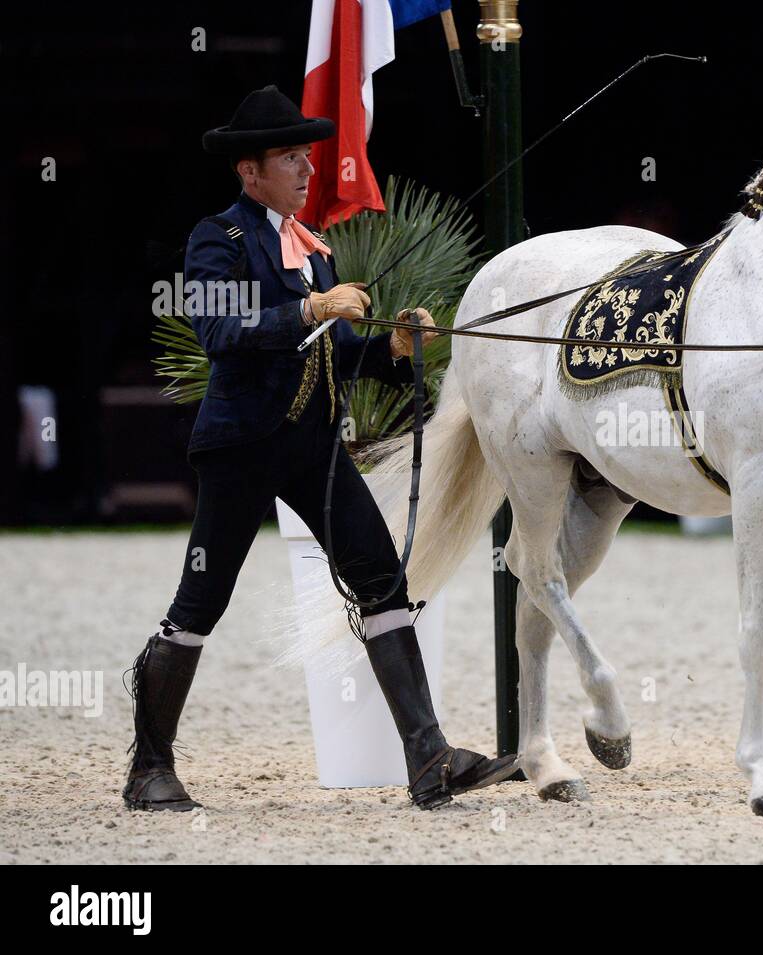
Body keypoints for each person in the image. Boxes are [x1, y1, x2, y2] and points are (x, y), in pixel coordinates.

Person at [123, 85, 516, 813]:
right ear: (250, 171)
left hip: (313, 449)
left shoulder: (315, 252)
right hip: (241, 447)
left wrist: (394, 348)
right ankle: (149, 767)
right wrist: (308, 307)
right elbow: (220, 333)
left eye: (307, 155)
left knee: (382, 583)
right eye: (290, 158)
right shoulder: (219, 239)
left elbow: (335, 351)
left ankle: (428, 758)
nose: (308, 169)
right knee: (199, 605)